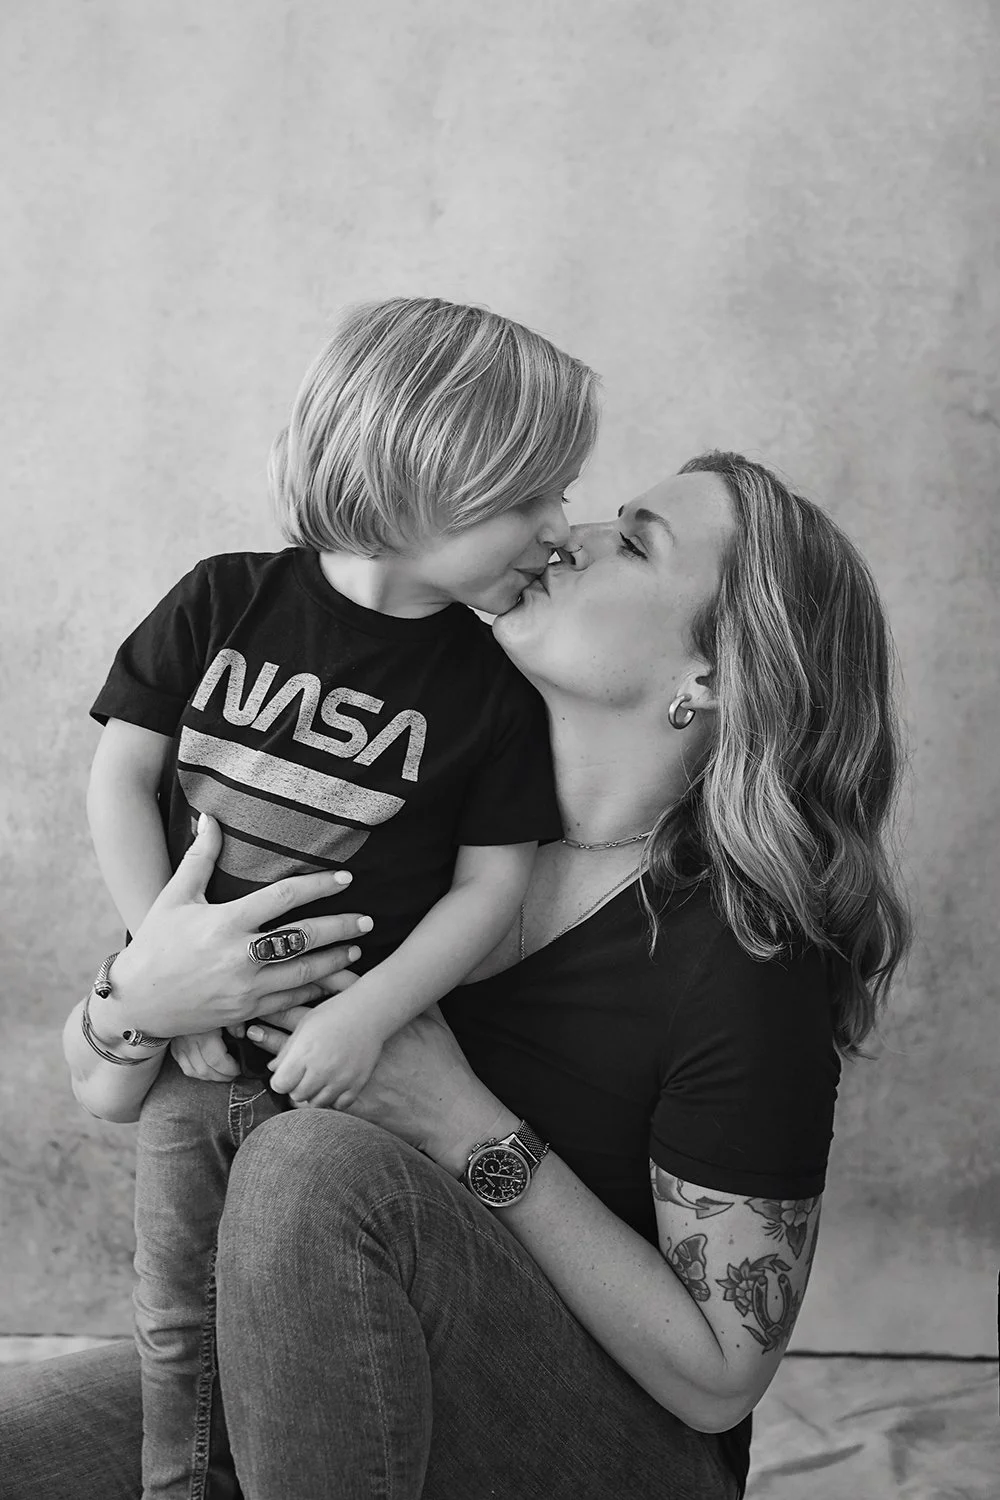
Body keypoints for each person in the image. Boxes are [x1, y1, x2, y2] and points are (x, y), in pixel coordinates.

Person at [1, 451, 911, 1500]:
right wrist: (142, 997)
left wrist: (464, 1125)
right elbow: (105, 1087)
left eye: (638, 541)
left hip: (615, 1454)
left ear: (708, 678)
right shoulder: (414, 801)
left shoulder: (745, 961)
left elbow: (717, 1381)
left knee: (314, 1168)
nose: (573, 534)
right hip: (332, 1355)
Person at [84, 297, 596, 1496]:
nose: (560, 526)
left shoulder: (490, 687)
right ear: (421, 480)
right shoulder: (225, 599)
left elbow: (488, 891)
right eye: (530, 498)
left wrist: (365, 1021)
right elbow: (121, 776)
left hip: (345, 1090)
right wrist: (165, 974)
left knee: (295, 1341)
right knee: (173, 1328)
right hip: (185, 1059)